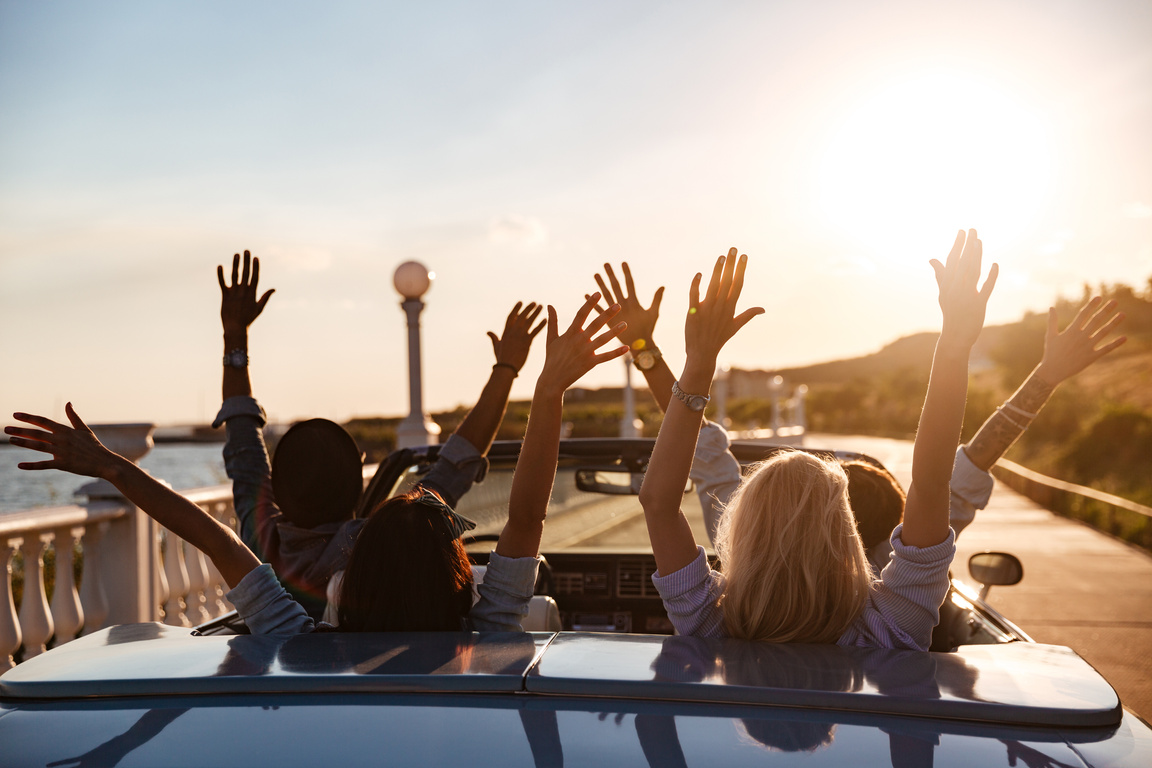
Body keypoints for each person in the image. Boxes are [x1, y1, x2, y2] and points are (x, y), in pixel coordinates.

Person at [7, 295, 627, 635]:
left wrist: (113, 467)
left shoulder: (291, 622)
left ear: (343, 591)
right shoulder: (484, 629)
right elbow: (513, 505)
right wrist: (537, 387)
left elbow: (209, 525)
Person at [594, 263, 1126, 573]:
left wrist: (656, 352)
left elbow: (697, 458)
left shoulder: (726, 595)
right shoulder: (894, 613)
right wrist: (1037, 375)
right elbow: (946, 476)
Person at [637, 233, 997, 649]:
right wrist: (954, 345)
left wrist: (698, 363)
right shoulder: (893, 624)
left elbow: (658, 502)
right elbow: (931, 482)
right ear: (844, 528)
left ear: (743, 529)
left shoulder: (710, 621)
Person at [214, 250, 545, 619]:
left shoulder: (262, 542)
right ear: (358, 482)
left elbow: (244, 448)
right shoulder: (383, 542)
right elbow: (456, 463)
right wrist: (506, 368)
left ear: (276, 490)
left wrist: (235, 338)